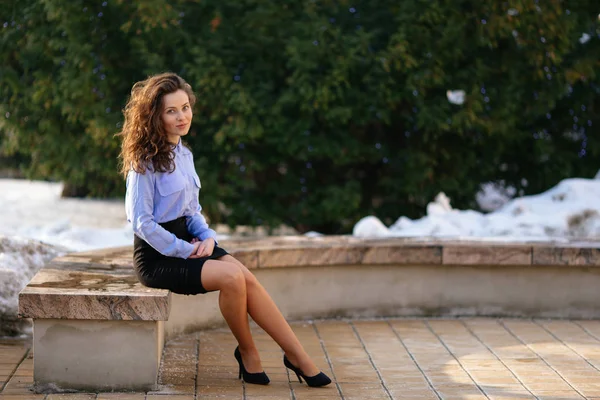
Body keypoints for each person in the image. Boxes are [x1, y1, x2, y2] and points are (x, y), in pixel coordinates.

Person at [118, 72, 331, 387]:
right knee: (232, 278)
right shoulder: (143, 163)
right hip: (158, 256)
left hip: (190, 242)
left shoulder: (184, 154)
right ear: (155, 116)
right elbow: (142, 223)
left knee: (245, 276)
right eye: (171, 111)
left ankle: (296, 355)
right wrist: (187, 250)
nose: (182, 116)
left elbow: (191, 211)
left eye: (185, 107)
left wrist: (207, 238)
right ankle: (248, 352)